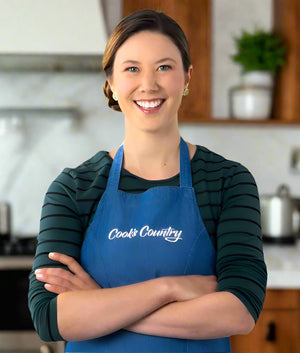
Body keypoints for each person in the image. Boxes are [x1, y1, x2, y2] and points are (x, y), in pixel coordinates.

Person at [28, 9, 267, 353]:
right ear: (110, 82)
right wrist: (168, 289)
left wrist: (99, 304)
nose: (148, 84)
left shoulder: (227, 181)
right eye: (132, 69)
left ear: (187, 78)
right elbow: (49, 318)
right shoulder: (75, 187)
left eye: (164, 67)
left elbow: (240, 311)